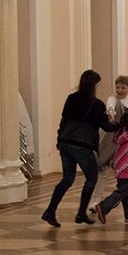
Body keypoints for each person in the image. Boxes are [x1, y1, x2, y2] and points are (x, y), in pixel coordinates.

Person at [41, 70, 118, 227]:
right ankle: (81, 213)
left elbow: (64, 121)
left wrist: (59, 139)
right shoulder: (97, 104)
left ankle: (50, 211)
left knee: (67, 179)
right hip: (83, 144)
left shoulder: (72, 98)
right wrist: (120, 123)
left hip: (66, 142)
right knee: (92, 177)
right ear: (94, 85)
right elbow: (106, 126)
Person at [91, 75, 128, 206]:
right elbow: (110, 106)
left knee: (127, 172)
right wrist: (110, 111)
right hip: (111, 140)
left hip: (126, 140)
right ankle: (96, 199)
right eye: (118, 87)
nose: (120, 90)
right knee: (103, 170)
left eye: (123, 88)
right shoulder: (113, 98)